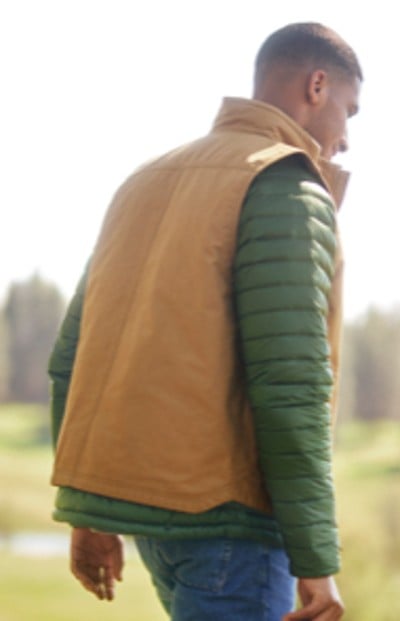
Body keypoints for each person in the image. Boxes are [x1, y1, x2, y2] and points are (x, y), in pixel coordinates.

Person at [49, 22, 362, 621]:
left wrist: (89, 511)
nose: (345, 139)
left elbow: (73, 359)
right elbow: (291, 386)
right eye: (350, 111)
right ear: (316, 85)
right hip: (233, 528)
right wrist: (316, 560)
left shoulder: (144, 181)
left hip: (158, 528)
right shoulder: (285, 186)